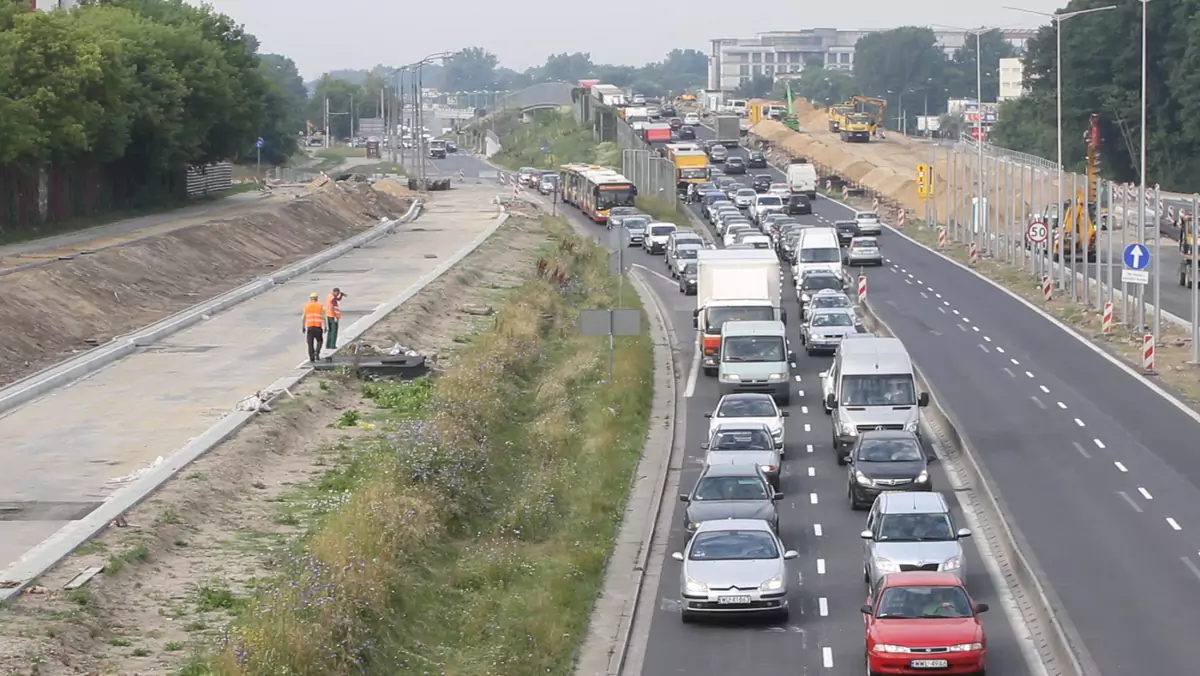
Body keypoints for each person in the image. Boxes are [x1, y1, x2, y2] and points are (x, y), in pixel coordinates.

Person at [302, 293, 325, 362]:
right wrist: (326, 326)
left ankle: (311, 358)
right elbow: (323, 317)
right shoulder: (320, 305)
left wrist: (303, 326)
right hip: (318, 326)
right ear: (316, 298)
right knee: (320, 341)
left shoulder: (306, 306)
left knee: (310, 343)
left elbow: (303, 317)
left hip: (310, 327)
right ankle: (317, 352)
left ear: (310, 299)